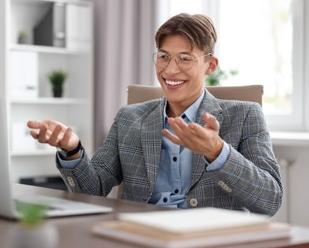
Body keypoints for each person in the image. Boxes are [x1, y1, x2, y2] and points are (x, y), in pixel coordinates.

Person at [27, 13, 282, 216]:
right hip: (140, 236)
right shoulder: (129, 118)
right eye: (163, 57)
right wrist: (72, 150)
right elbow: (93, 189)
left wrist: (218, 151)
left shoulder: (245, 115)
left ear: (210, 65)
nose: (171, 70)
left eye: (184, 58)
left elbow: (269, 201)